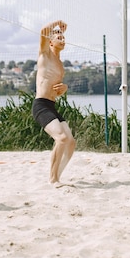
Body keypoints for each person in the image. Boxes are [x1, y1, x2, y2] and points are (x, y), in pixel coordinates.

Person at [32, 20, 76, 187]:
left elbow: (57, 88)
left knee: (71, 143)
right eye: (59, 36)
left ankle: (57, 175)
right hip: (41, 105)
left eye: (63, 37)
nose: (62, 39)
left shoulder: (60, 64)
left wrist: (64, 88)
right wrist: (58, 23)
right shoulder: (44, 54)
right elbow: (43, 30)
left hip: (51, 105)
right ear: (50, 41)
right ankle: (53, 179)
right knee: (62, 138)